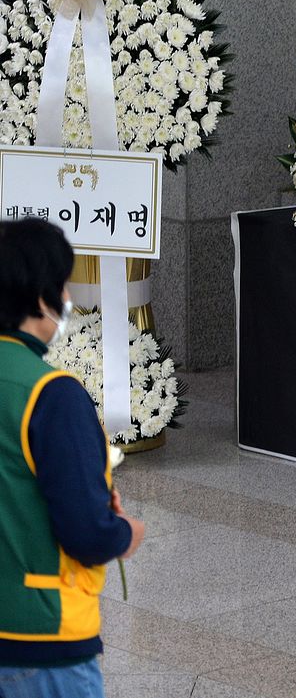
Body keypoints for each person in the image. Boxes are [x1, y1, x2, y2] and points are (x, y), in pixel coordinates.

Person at [0, 218, 145, 697]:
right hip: (40, 640)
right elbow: (86, 532)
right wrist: (124, 532)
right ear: (42, 297)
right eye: (62, 286)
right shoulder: (51, 394)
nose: (66, 301)